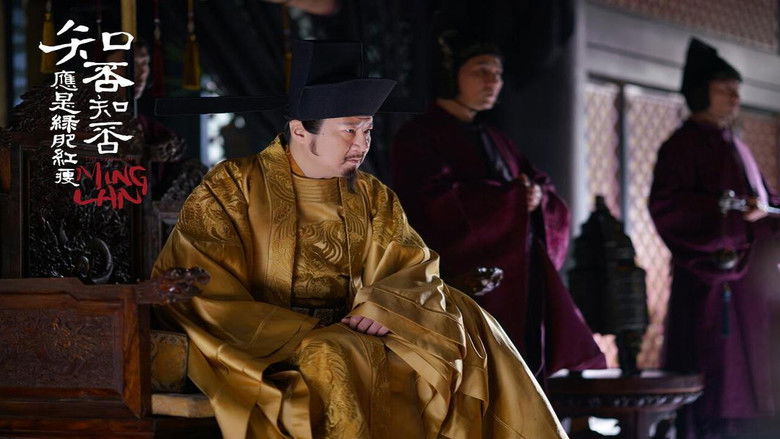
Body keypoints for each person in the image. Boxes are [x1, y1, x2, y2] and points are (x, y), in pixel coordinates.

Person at [153, 40, 568, 439]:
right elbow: (200, 280)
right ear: (300, 130)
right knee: (337, 353)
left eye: (367, 131)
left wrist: (385, 306)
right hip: (265, 339)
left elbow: (409, 265)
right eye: (348, 130)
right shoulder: (233, 186)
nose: (361, 145)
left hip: (359, 326)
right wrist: (303, 332)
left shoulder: (370, 194)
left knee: (465, 329)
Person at [391, 31, 604, 378]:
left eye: (498, 74)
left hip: (518, 287)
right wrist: (513, 199)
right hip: (458, 287)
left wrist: (537, 198)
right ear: (451, 73)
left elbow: (542, 191)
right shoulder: (420, 136)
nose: (493, 82)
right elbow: (432, 207)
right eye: (481, 71)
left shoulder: (496, 138)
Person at [649, 38, 778, 439]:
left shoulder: (736, 145)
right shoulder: (681, 147)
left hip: (749, 284)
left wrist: (764, 211)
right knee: (714, 374)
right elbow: (668, 208)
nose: (735, 98)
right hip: (711, 281)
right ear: (700, 91)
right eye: (725, 88)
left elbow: (765, 202)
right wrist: (729, 218)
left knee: (755, 374)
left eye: (737, 89)